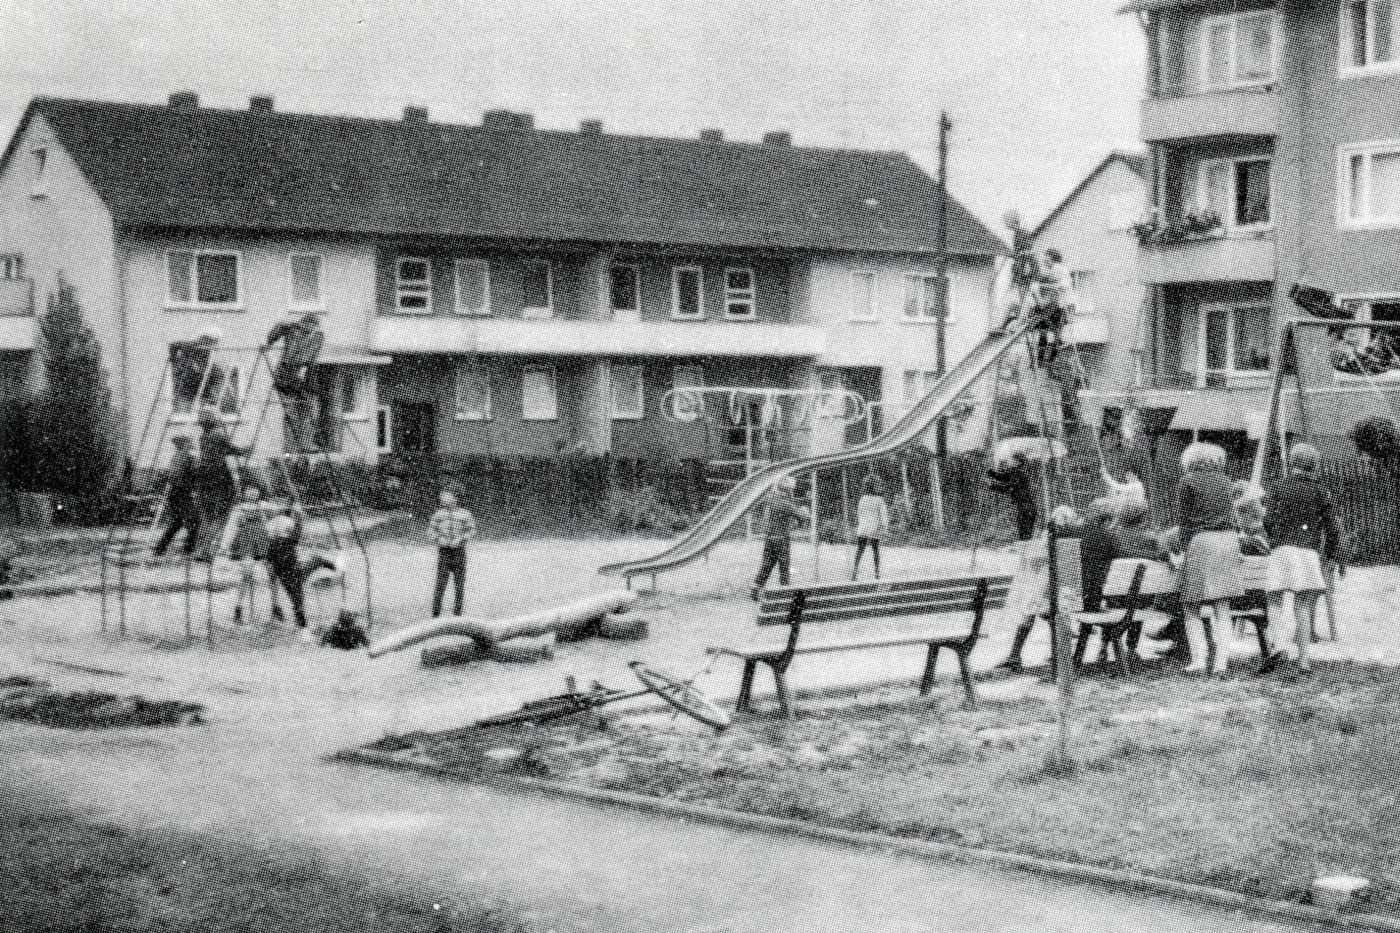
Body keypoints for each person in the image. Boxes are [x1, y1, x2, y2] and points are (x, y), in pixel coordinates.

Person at [1264, 443, 1339, 675]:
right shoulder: (1321, 490)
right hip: (1308, 552)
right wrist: (1330, 554)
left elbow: (1267, 521)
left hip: (1281, 550)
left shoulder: (1277, 486)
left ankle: (1278, 646)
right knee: (1303, 606)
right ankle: (1304, 659)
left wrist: (1276, 537)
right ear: (1314, 465)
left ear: (1292, 463)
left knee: (1274, 600)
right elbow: (1333, 528)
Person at [1175, 442, 1245, 675]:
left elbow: (1183, 521)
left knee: (1191, 606)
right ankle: (1221, 663)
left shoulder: (1187, 481)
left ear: (1189, 460)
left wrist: (1183, 550)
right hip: (1228, 541)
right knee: (1222, 607)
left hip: (1202, 542)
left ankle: (1199, 659)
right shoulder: (1226, 481)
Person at [995, 505, 1082, 673]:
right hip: (1068, 594)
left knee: (1030, 609)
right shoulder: (1074, 541)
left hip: (1051, 594)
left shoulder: (1050, 539)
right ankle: (1058, 652)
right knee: (1045, 611)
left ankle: (1014, 655)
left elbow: (1034, 562)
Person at [265, 497, 338, 643]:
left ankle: (304, 631)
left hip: (288, 576)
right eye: (287, 529)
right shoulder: (287, 541)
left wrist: (292, 512)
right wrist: (297, 514)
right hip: (295, 574)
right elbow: (297, 529)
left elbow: (269, 561)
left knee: (297, 602)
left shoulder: (271, 545)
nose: (288, 530)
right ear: (284, 531)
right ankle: (337, 566)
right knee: (317, 561)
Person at [193, 406, 249, 560]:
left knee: (208, 515)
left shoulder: (203, 436)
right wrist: (246, 449)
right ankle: (210, 551)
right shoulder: (218, 434)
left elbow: (223, 450)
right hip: (219, 476)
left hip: (205, 476)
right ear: (214, 419)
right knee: (222, 514)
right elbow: (231, 449)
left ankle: (201, 549)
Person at [266, 312, 326, 453]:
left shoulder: (318, 336)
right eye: (306, 325)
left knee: (309, 410)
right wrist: (285, 325)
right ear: (302, 323)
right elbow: (271, 337)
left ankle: (306, 443)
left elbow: (310, 359)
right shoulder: (292, 330)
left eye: (313, 326)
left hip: (305, 377)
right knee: (291, 413)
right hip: (286, 377)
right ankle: (291, 447)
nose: (309, 329)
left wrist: (308, 383)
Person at [219, 484, 272, 626]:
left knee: (272, 573)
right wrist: (224, 546)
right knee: (247, 574)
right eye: (250, 491)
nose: (253, 493)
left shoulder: (264, 507)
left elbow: (272, 522)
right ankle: (239, 608)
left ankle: (275, 607)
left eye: (255, 490)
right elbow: (231, 527)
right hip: (246, 544)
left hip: (262, 543)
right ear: (245, 493)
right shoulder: (239, 509)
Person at [751, 477, 811, 600]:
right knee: (784, 565)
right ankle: (785, 591)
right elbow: (802, 516)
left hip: (769, 537)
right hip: (781, 538)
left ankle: (755, 590)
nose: (792, 492)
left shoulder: (772, 499)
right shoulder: (785, 503)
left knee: (767, 564)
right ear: (787, 490)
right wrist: (805, 510)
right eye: (791, 490)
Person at [428, 488, 478, 618]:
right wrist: (440, 539)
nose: (445, 500)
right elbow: (431, 531)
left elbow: (472, 530)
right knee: (440, 584)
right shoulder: (438, 515)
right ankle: (435, 615)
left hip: (459, 552)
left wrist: (461, 539)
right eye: (443, 498)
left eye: (448, 497)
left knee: (459, 584)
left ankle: (458, 615)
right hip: (444, 552)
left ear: (455, 499)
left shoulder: (465, 514)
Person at [152, 435, 201, 558]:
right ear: (184, 445)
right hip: (181, 493)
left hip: (174, 493)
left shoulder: (176, 457)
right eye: (189, 442)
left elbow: (174, 475)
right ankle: (188, 549)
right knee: (194, 521)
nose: (191, 444)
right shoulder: (187, 458)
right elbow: (194, 473)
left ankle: (160, 548)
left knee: (177, 522)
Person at [169, 327, 224, 414]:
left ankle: (210, 408)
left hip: (201, 389)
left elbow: (207, 370)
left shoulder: (208, 354)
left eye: (215, 342)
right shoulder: (191, 347)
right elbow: (173, 345)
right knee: (182, 414)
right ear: (204, 339)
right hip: (186, 390)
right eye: (211, 341)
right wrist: (173, 361)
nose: (213, 345)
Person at [1033, 248, 1073, 366]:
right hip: (1059, 306)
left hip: (1061, 306)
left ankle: (1045, 359)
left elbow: (1062, 285)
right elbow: (1050, 282)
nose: (1044, 259)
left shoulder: (1058, 268)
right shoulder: (1055, 269)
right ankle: (1047, 359)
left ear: (1052, 257)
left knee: (1047, 330)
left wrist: (1040, 286)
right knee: (1047, 331)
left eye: (1046, 256)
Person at [988, 451, 1039, 542]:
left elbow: (1011, 487)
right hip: (1025, 504)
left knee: (1024, 528)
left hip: (1025, 504)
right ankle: (1025, 543)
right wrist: (992, 473)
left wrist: (993, 486)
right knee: (1024, 527)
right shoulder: (1015, 471)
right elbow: (1003, 477)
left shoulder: (1019, 472)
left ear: (1017, 461)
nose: (1009, 461)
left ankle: (1025, 545)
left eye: (1012, 460)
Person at [851, 474, 890, 581]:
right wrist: (885, 528)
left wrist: (862, 524)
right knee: (875, 551)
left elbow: (859, 513)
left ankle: (854, 571)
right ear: (876, 486)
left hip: (863, 528)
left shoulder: (862, 499)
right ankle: (877, 573)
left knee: (859, 550)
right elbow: (884, 516)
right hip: (875, 529)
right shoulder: (879, 500)